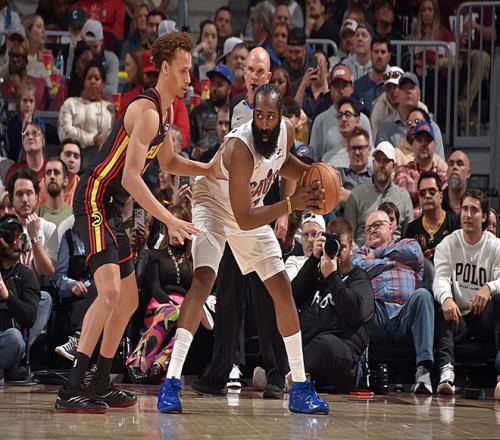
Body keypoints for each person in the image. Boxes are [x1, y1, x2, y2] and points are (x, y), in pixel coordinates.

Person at [54, 32, 223, 413]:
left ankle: (101, 381)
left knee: (129, 300)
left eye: (190, 71)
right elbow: (131, 177)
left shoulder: (165, 113)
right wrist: (168, 219)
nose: (189, 79)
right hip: (95, 198)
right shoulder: (146, 112)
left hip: (112, 208)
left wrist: (207, 168)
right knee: (110, 293)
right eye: (183, 71)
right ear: (164, 68)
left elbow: (169, 162)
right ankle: (71, 387)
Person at [157, 83, 329, 415]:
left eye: (270, 116)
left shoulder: (285, 132)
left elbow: (283, 163)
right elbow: (244, 219)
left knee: (281, 287)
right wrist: (291, 203)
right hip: (213, 204)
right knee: (204, 280)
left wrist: (312, 175)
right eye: (259, 115)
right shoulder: (239, 148)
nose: (264, 123)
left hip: (247, 208)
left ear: (280, 116)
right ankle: (171, 382)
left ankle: (300, 387)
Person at [352, 210, 435, 394]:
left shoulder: (407, 243)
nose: (372, 230)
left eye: (377, 225)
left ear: (391, 227)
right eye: (368, 228)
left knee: (423, 295)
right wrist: (393, 263)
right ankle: (361, 371)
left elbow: (414, 253)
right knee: (361, 301)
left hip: (406, 315)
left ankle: (423, 373)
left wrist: (378, 255)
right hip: (377, 315)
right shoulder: (360, 252)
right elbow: (358, 268)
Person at [289, 216, 374, 391]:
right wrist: (314, 259)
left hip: (343, 358)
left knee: (325, 345)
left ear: (351, 249)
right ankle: (293, 375)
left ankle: (292, 376)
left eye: (341, 247)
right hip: (310, 348)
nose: (336, 252)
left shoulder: (358, 277)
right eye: (332, 246)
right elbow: (293, 299)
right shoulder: (316, 275)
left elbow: (356, 312)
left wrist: (333, 277)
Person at [433, 190, 500, 398]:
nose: (468, 215)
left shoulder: (495, 246)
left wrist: (489, 287)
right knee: (441, 302)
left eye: (474, 210)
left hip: (484, 317)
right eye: (465, 209)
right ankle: (446, 372)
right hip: (458, 317)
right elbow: (440, 278)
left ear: (484, 216)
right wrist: (446, 298)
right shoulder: (448, 244)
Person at [345, 141, 413, 247]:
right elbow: (348, 235)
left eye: (385, 161)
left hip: (394, 252)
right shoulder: (357, 194)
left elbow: (409, 236)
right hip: (363, 251)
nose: (381, 165)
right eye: (377, 160)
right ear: (373, 163)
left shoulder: (403, 196)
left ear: (394, 166)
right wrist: (358, 253)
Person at [0, 214, 41, 381]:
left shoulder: (26, 275)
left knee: (14, 338)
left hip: (7, 339)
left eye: (19, 237)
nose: (16, 242)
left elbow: (30, 317)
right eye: (10, 236)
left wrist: (7, 296)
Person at [309, 64, 373, 163]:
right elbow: (313, 158)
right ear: (330, 88)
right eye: (336, 86)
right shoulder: (320, 121)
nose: (341, 90)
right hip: (329, 170)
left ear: (352, 87)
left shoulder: (362, 119)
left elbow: (370, 155)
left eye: (344, 85)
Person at [57, 60, 113, 169]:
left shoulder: (110, 108)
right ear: (84, 82)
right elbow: (64, 131)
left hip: (102, 160)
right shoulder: (71, 103)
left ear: (103, 83)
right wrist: (92, 139)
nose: (93, 81)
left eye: (97, 78)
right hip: (73, 156)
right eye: (89, 78)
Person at [392, 120, 448, 217]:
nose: (423, 144)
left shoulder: (442, 176)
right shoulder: (401, 173)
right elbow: (398, 208)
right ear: (413, 145)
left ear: (434, 145)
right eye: (419, 140)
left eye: (427, 140)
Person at [405, 170, 460, 260]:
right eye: (422, 193)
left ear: (441, 196)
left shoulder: (456, 223)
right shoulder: (412, 229)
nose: (427, 196)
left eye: (432, 191)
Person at [352, 35, 391, 116]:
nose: (379, 56)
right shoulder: (358, 86)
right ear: (370, 54)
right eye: (376, 52)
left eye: (383, 52)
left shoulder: (396, 87)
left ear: (389, 56)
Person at [80, 19, 119, 96]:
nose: (91, 51)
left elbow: (111, 90)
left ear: (101, 41)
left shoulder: (111, 59)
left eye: (95, 46)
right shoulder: (77, 58)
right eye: (88, 47)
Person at [37, 157, 72, 227]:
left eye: (56, 173)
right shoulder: (36, 213)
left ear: (65, 181)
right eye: (48, 173)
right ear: (44, 180)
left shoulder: (73, 215)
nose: (52, 176)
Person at [442, 150, 470, 215]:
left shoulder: (475, 204)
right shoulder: (437, 202)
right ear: (447, 172)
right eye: (451, 164)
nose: (454, 167)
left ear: (468, 174)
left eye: (460, 164)